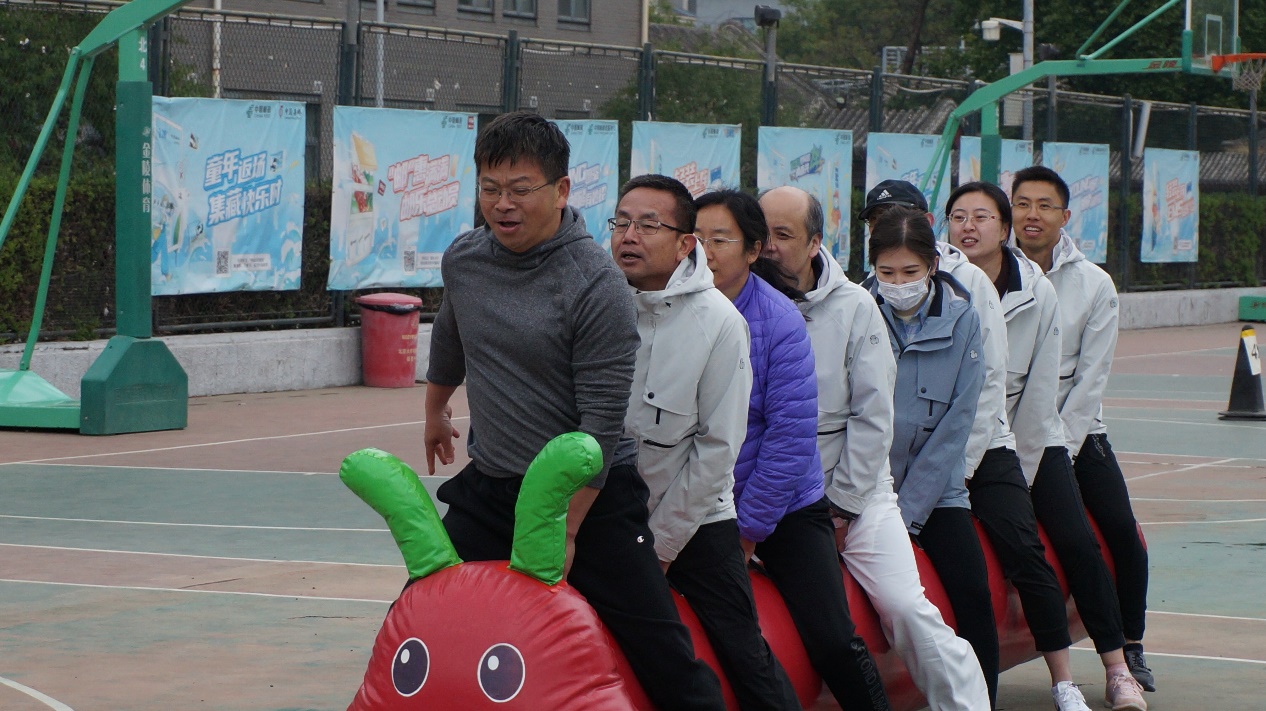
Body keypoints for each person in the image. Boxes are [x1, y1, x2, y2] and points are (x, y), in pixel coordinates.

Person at [423, 112, 727, 711]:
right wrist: (435, 409)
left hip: (591, 500)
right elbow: (452, 336)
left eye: (520, 189)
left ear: (561, 190)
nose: (502, 205)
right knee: (426, 608)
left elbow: (602, 424)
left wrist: (566, 530)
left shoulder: (594, 283)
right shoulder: (464, 259)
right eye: (490, 188)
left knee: (662, 654)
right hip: (491, 488)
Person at [759, 185, 991, 711]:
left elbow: (872, 417)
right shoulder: (738, 305)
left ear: (815, 242)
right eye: (762, 233)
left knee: (906, 607)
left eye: (783, 234)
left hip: (856, 494)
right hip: (770, 499)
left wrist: (843, 506)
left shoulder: (856, 307)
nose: (769, 245)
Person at [947, 181, 1144, 711]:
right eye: (958, 217)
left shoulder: (1044, 290)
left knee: (1078, 541)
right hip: (964, 442)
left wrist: (1023, 473)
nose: (969, 227)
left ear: (1002, 228)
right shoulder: (934, 282)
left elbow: (1043, 397)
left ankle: (1118, 665)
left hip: (1036, 435)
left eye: (981, 216)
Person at [695, 189, 891, 711]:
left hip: (782, 507)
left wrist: (747, 532)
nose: (705, 252)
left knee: (832, 640)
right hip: (697, 501)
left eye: (719, 240)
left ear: (751, 250)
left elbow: (788, 438)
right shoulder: (672, 310)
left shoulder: (779, 318)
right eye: (696, 238)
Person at [612, 174, 801, 711]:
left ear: (683, 244)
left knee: (745, 654)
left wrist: (661, 546)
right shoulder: (599, 304)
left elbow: (718, 450)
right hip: (610, 511)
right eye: (621, 222)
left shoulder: (719, 322)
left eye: (648, 225)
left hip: (695, 516)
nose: (629, 236)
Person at [1011, 165, 1154, 701]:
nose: (1032, 215)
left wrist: (1060, 454)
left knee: (1121, 533)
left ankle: (1130, 646)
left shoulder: (1094, 283)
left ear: (1065, 216)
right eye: (1022, 204)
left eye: (1044, 205)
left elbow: (1090, 380)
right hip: (1010, 432)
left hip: (1077, 433)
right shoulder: (992, 274)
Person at [860, 185, 1003, 707]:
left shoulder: (964, 319)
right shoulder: (855, 312)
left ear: (933, 266)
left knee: (972, 592)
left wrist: (908, 514)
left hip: (937, 491)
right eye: (887, 273)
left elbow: (957, 422)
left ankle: (982, 697)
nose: (898, 285)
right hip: (863, 485)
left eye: (910, 272)